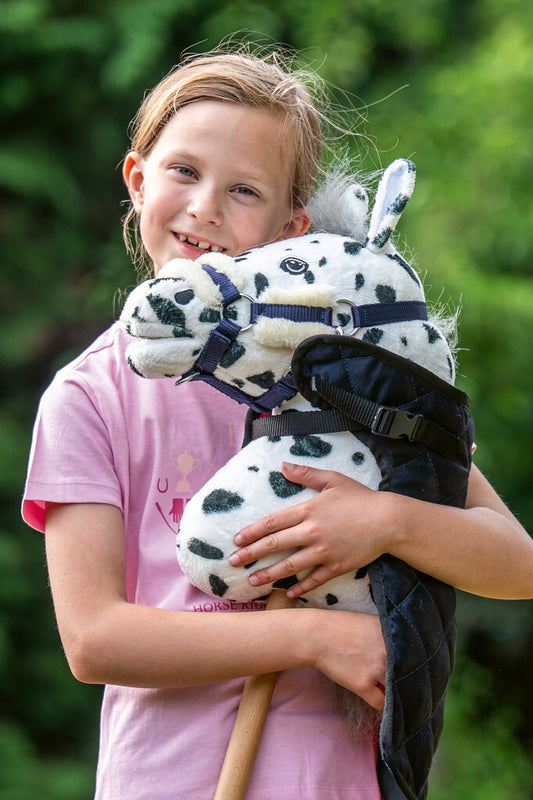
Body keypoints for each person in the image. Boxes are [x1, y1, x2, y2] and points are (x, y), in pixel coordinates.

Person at [22, 44, 533, 800]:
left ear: (292, 232)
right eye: (184, 172)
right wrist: (315, 636)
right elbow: (95, 638)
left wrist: (384, 521)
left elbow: (513, 562)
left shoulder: (346, 385)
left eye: (244, 191)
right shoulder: (90, 397)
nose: (203, 208)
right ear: (137, 180)